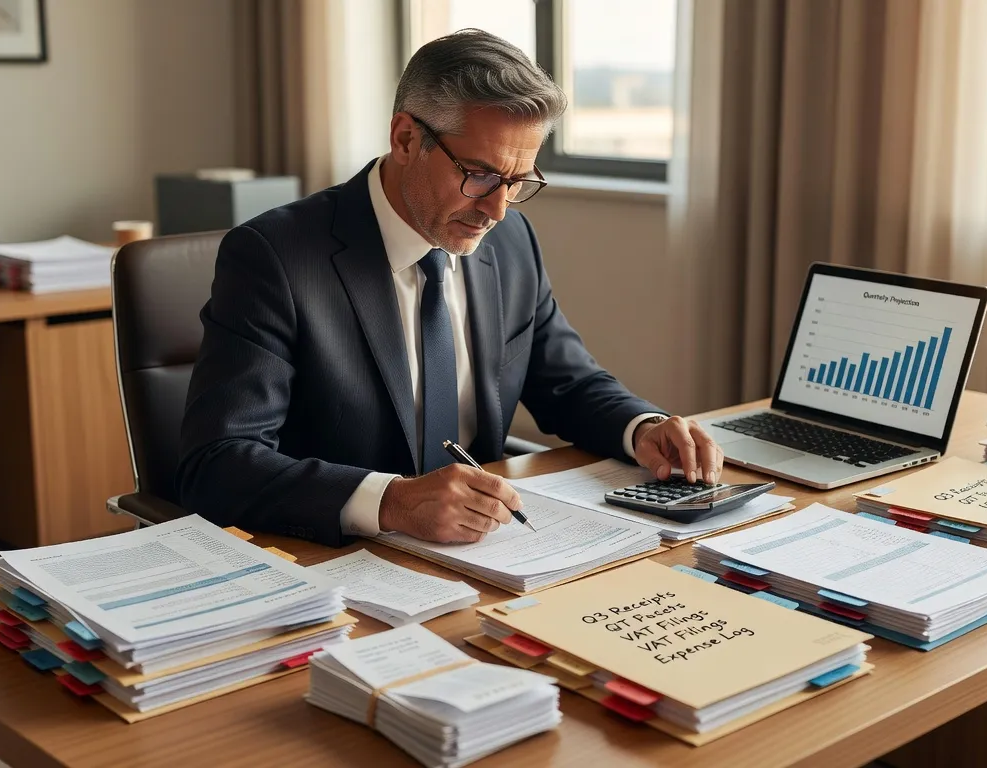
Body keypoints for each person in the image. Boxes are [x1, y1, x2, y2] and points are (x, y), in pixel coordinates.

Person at [177, 29, 722, 546]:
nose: (498, 210)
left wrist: (643, 427)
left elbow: (567, 383)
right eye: (481, 175)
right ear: (406, 138)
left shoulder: (511, 244)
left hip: (486, 554)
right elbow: (219, 463)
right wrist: (391, 501)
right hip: (340, 560)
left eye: (517, 181)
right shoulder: (276, 256)